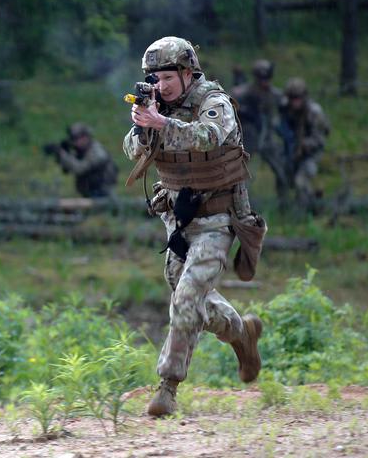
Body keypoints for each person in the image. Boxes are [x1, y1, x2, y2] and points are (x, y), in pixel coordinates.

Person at [124, 37, 265, 418]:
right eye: (155, 78)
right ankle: (241, 334)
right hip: (179, 222)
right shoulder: (158, 105)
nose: (161, 85)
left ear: (188, 73)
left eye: (167, 77)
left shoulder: (213, 102)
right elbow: (132, 150)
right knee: (189, 298)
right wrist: (142, 126)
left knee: (186, 299)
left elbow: (210, 136)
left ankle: (167, 388)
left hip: (219, 220)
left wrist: (162, 122)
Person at [231, 59, 289, 205]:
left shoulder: (275, 95)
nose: (265, 82)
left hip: (268, 139)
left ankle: (284, 201)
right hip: (247, 139)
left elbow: (288, 109)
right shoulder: (242, 93)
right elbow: (228, 108)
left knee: (281, 170)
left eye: (267, 78)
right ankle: (240, 203)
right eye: (261, 79)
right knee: (240, 173)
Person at [280, 77, 329, 211]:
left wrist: (303, 145)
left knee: (301, 181)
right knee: (283, 177)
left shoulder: (314, 112)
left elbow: (319, 139)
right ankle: (284, 206)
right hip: (291, 150)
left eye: (298, 98)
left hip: (311, 153)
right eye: (292, 98)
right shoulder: (285, 108)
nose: (295, 101)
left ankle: (305, 210)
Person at [44, 123, 118, 198]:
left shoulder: (97, 152)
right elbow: (66, 171)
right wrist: (62, 155)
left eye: (77, 138)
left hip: (103, 195)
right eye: (73, 139)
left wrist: (61, 153)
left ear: (86, 137)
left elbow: (79, 168)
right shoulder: (82, 152)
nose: (74, 142)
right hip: (89, 194)